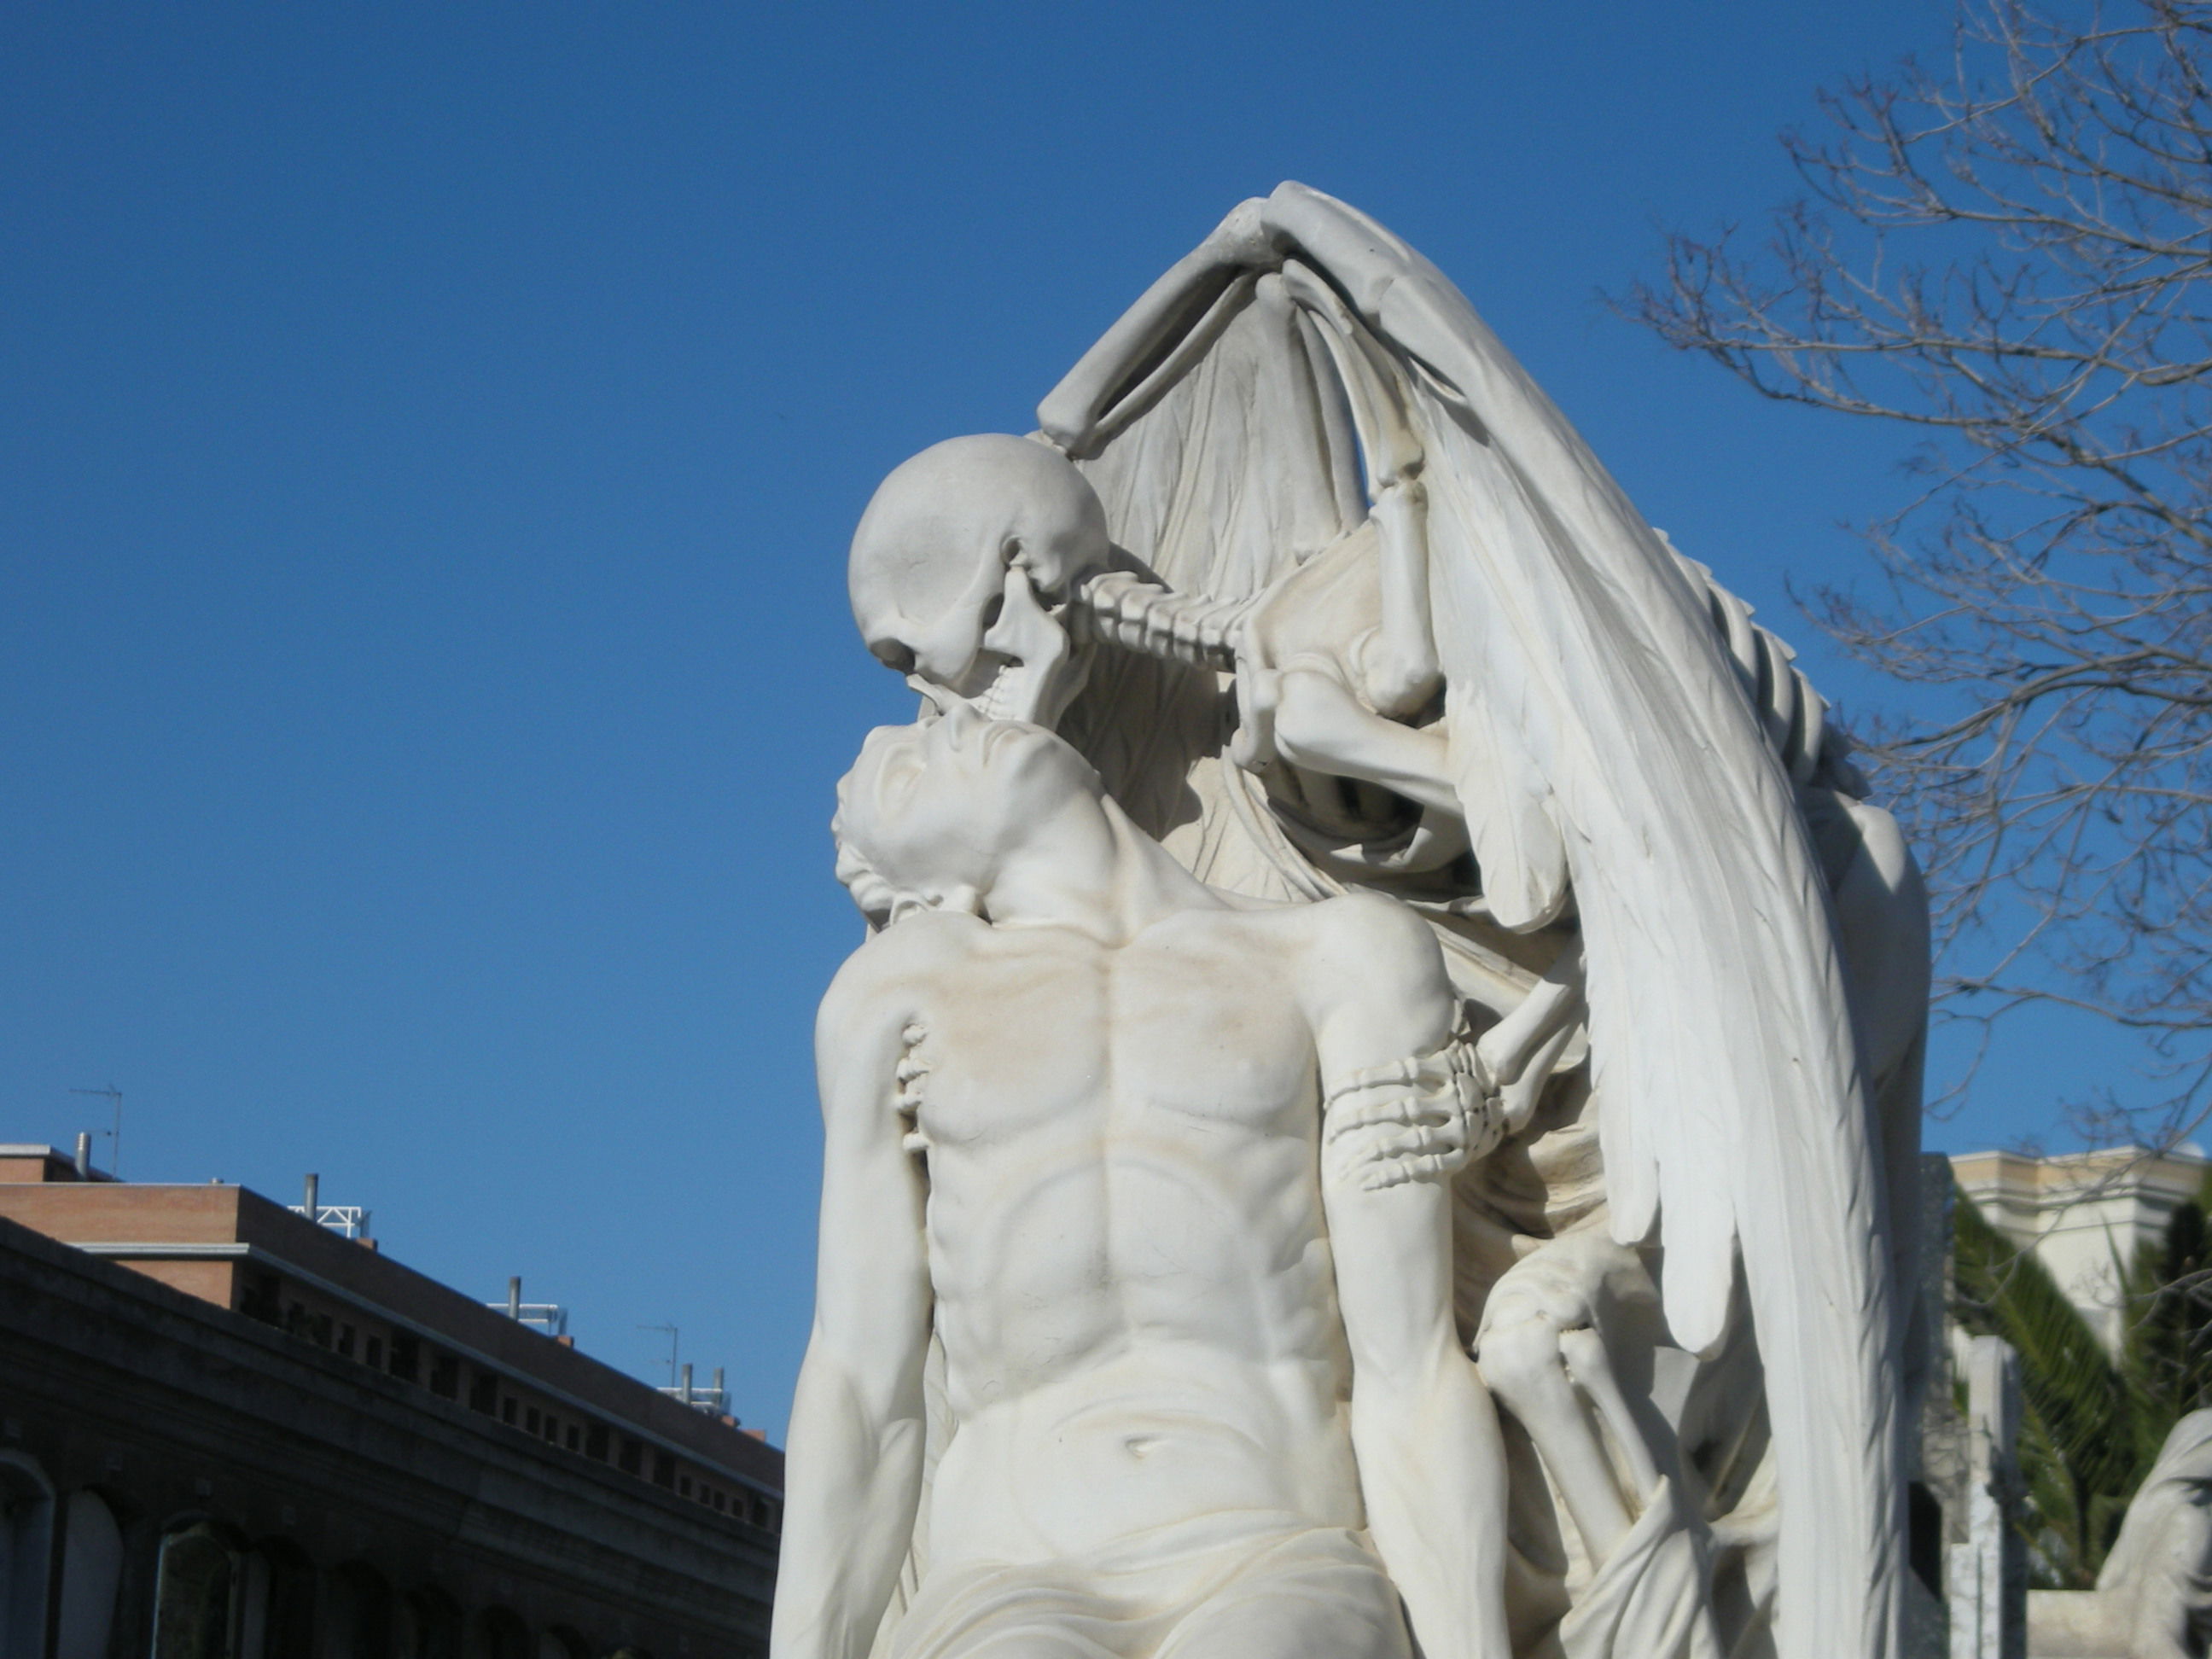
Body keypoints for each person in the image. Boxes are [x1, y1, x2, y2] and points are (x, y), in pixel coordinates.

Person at [771, 701, 1514, 1659]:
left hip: (1273, 1551)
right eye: (906, 781)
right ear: (934, 894)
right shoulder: (901, 997)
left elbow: (1408, 1367)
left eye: (927, 732)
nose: (927, 735)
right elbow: (860, 1387)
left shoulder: (1341, 957)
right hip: (1009, 1576)